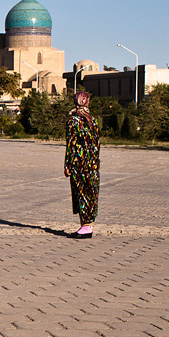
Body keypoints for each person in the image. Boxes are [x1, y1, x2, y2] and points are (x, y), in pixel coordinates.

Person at [65, 91, 100, 239]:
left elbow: (71, 145)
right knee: (91, 193)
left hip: (79, 163)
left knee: (82, 193)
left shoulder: (73, 121)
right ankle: (88, 224)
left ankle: (86, 227)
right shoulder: (93, 120)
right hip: (93, 163)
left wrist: (68, 164)